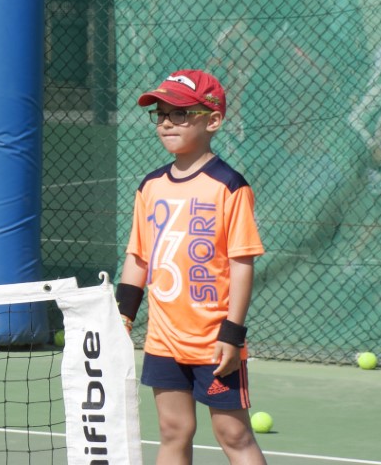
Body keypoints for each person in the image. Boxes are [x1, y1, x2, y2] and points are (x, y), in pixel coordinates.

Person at [117, 70, 266, 465]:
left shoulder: (230, 186)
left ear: (212, 120)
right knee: (173, 430)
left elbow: (242, 263)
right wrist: (121, 318)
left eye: (181, 114)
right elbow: (138, 257)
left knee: (233, 434)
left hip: (213, 342)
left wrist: (232, 334)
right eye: (162, 114)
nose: (167, 122)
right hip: (163, 340)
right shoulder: (150, 186)